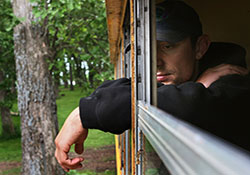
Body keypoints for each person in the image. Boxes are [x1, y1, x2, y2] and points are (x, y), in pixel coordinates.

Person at [55, 0, 250, 172]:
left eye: (167, 46)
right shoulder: (186, 79)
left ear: (200, 47)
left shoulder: (233, 83)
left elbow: (193, 105)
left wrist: (86, 114)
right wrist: (83, 111)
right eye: (148, 48)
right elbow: (119, 88)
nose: (155, 61)